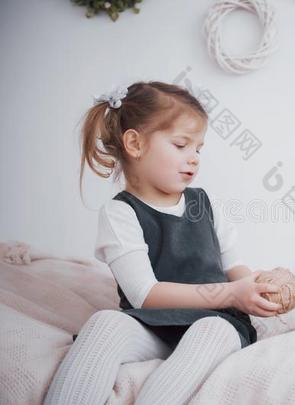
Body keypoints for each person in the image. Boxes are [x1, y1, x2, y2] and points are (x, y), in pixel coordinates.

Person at [44, 81, 282, 405]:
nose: (194, 158)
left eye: (198, 149)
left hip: (218, 321)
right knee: (105, 322)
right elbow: (145, 295)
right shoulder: (121, 213)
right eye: (181, 145)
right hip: (155, 325)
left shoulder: (205, 205)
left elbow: (233, 265)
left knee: (209, 333)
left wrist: (255, 288)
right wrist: (231, 293)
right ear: (135, 144)